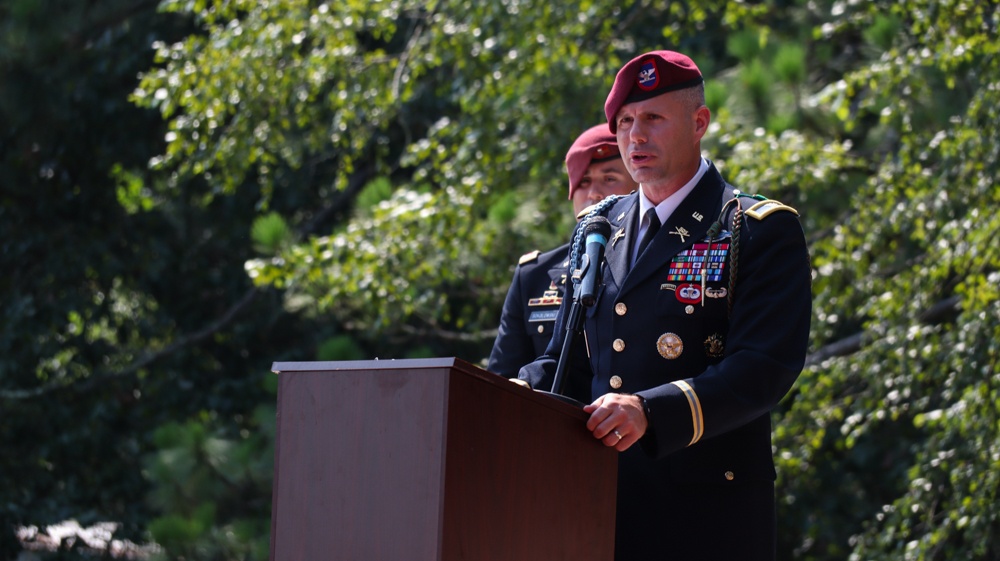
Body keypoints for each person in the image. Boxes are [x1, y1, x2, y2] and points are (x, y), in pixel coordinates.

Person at [517, 50, 812, 560]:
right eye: (626, 121)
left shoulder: (755, 228)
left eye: (653, 118)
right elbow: (568, 361)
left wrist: (649, 411)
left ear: (699, 123)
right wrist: (509, 394)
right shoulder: (599, 226)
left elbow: (763, 370)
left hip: (705, 518)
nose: (635, 136)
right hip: (599, 506)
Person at [487, 124, 638, 378]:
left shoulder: (652, 263)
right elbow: (502, 379)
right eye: (584, 181)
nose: (594, 194)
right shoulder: (533, 275)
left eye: (610, 179)